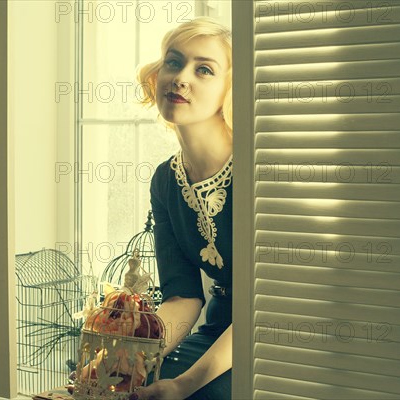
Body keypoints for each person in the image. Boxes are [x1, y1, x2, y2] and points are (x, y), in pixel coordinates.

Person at [132, 17, 233, 400]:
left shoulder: (261, 172)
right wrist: (135, 356)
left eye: (204, 69)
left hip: (279, 338)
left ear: (229, 88)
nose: (180, 78)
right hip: (216, 330)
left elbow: (268, 308)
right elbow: (183, 297)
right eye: (174, 62)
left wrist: (183, 384)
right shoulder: (164, 181)